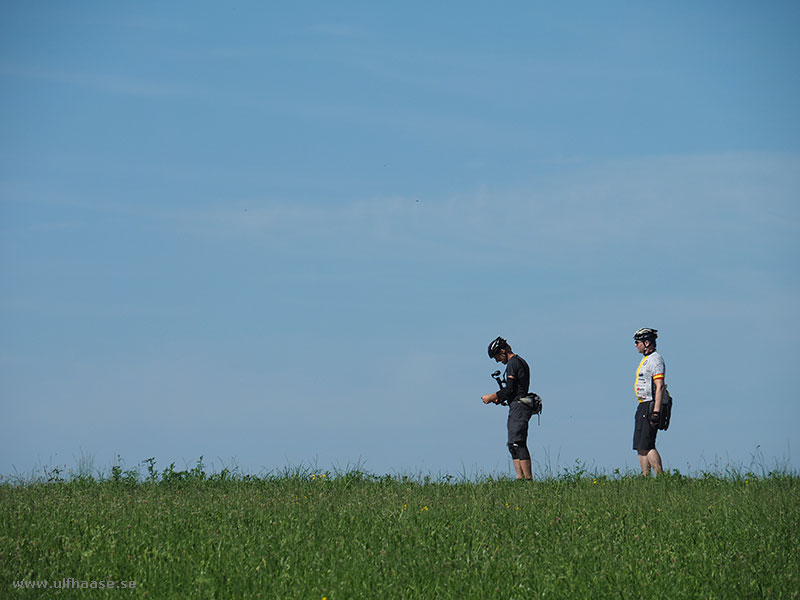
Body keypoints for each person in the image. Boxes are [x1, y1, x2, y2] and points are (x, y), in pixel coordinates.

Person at [481, 336, 535, 480]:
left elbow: (510, 389)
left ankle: (527, 479)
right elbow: (511, 390)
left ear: (503, 351)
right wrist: (501, 397)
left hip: (519, 406)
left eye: (497, 356)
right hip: (516, 405)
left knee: (518, 443)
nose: (497, 360)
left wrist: (492, 396)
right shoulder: (517, 362)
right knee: (512, 444)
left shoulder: (514, 363)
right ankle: (520, 479)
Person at [633, 328, 665, 476]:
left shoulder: (655, 359)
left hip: (651, 404)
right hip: (642, 403)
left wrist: (656, 412)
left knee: (648, 444)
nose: (635, 345)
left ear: (646, 343)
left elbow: (659, 386)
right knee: (640, 445)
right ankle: (645, 477)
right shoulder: (645, 360)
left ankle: (660, 477)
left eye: (637, 342)